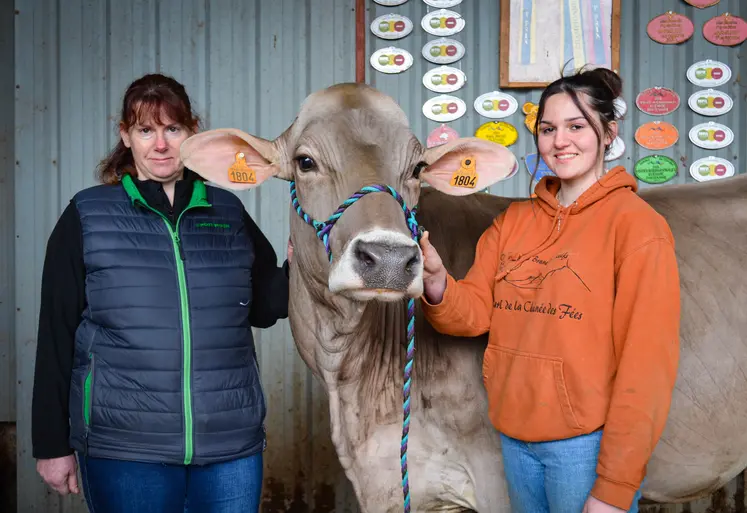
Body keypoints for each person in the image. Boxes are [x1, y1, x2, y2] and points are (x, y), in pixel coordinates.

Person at [419, 67, 680, 513]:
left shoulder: (637, 227)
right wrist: (437, 280)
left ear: (608, 133)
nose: (560, 141)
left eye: (577, 126)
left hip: (585, 447)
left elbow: (647, 367)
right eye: (548, 129)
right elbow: (476, 313)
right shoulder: (513, 223)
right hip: (515, 438)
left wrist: (614, 489)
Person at [31, 73, 290, 513]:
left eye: (173, 129)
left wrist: (302, 263)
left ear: (192, 133)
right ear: (125, 137)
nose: (161, 144)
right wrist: (51, 444)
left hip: (229, 447)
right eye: (146, 130)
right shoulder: (87, 215)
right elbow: (56, 334)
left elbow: (266, 308)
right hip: (126, 450)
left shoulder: (227, 211)